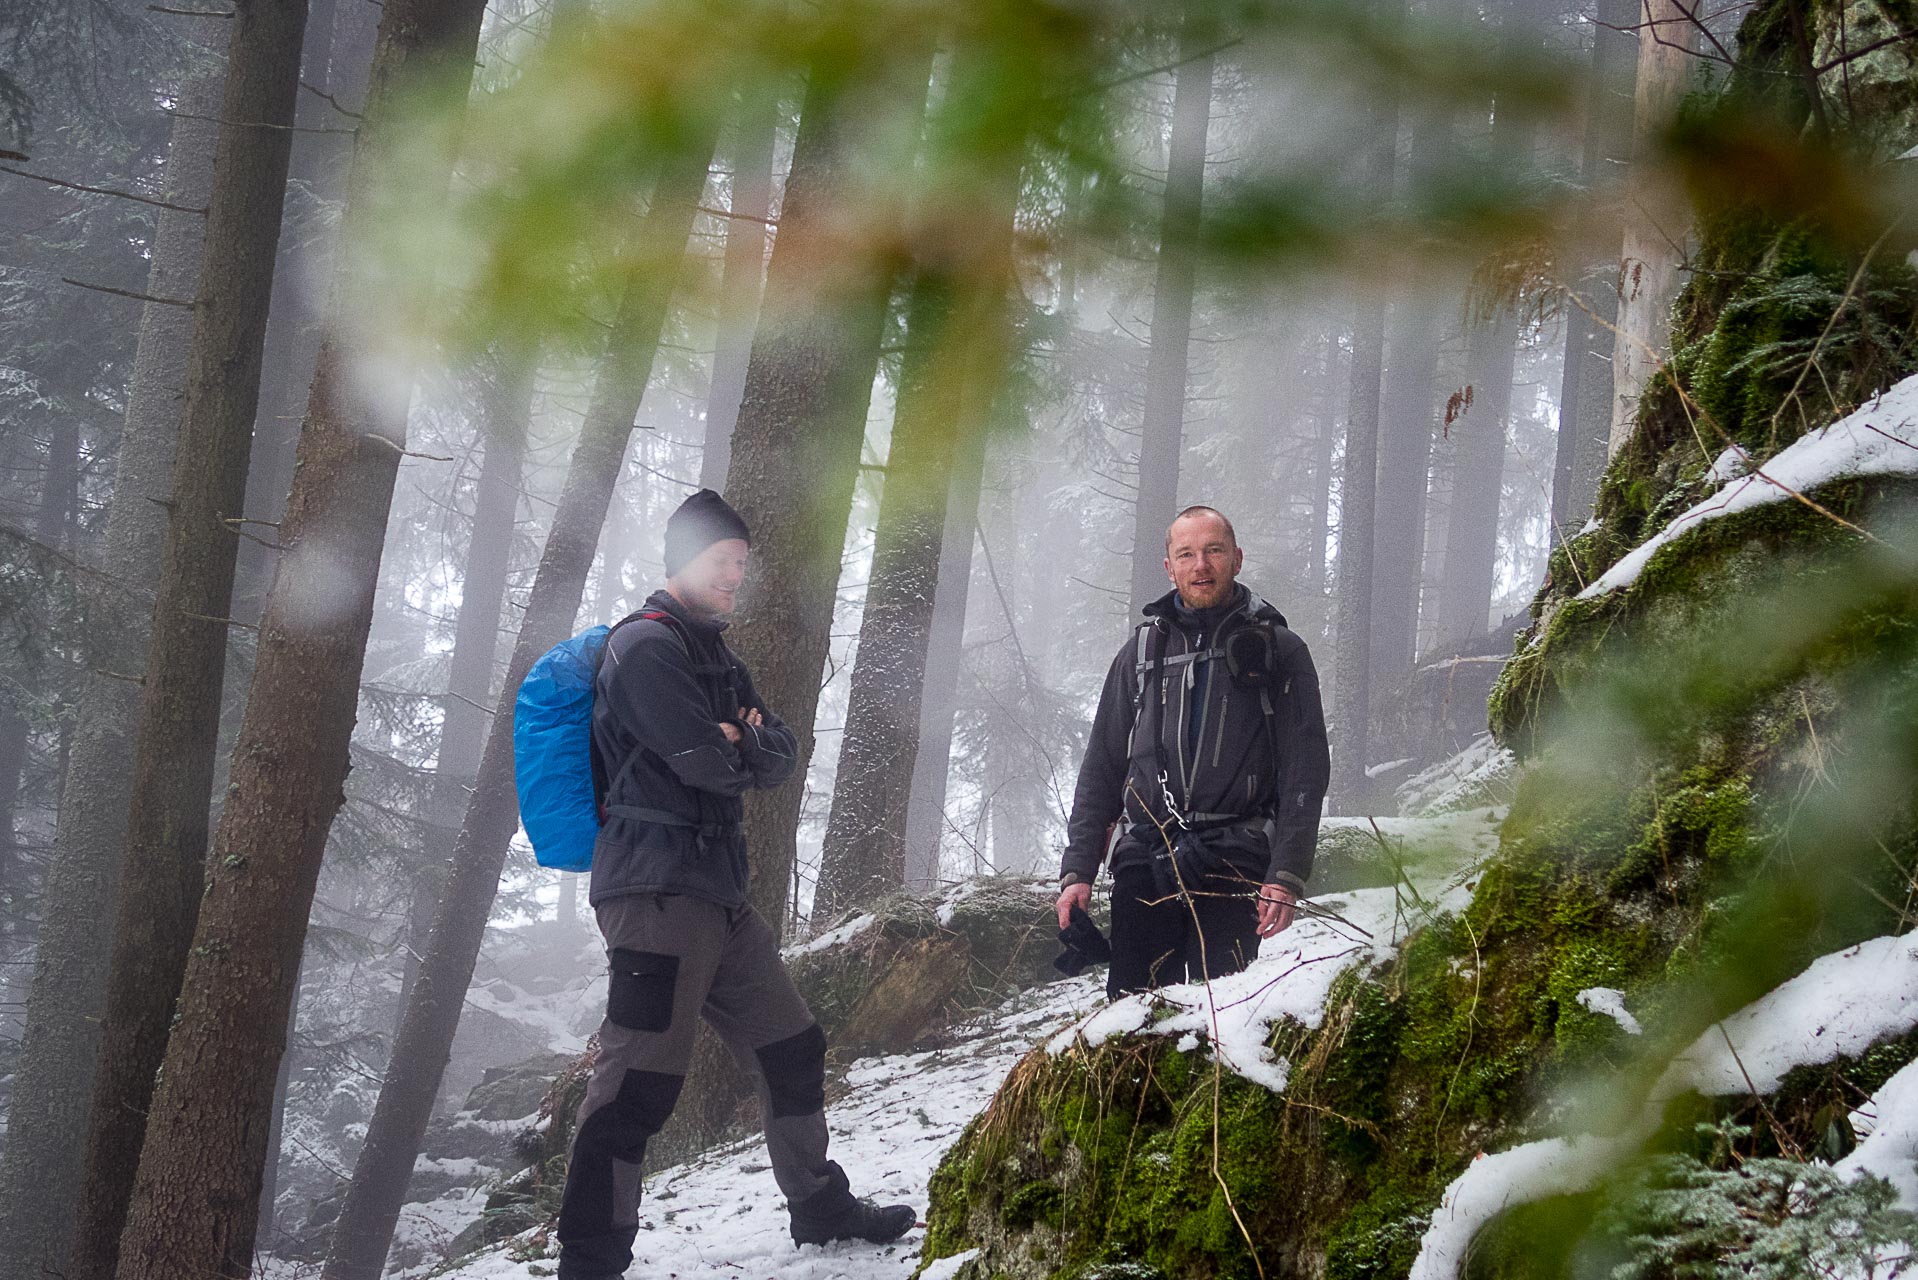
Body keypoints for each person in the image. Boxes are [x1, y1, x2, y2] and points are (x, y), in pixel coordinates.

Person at [556, 489, 915, 1280]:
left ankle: (819, 1210)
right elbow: (711, 765)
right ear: (684, 558)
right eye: (724, 563)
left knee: (792, 1047)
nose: (735, 579)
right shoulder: (644, 650)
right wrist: (738, 742)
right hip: (654, 896)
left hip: (718, 898)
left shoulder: (714, 653)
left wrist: (743, 740)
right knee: (637, 1083)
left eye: (742, 567)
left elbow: (781, 755)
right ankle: (589, 1260)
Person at [1055, 505, 1331, 997]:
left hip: (1237, 857)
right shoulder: (1139, 654)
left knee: (1223, 1019)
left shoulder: (1280, 650)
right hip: (1144, 858)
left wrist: (1287, 873)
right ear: (1170, 567)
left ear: (1237, 559)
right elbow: (1101, 767)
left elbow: (1304, 771)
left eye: (1213, 551)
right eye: (1186, 554)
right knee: (1133, 1024)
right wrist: (1078, 871)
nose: (1200, 565)